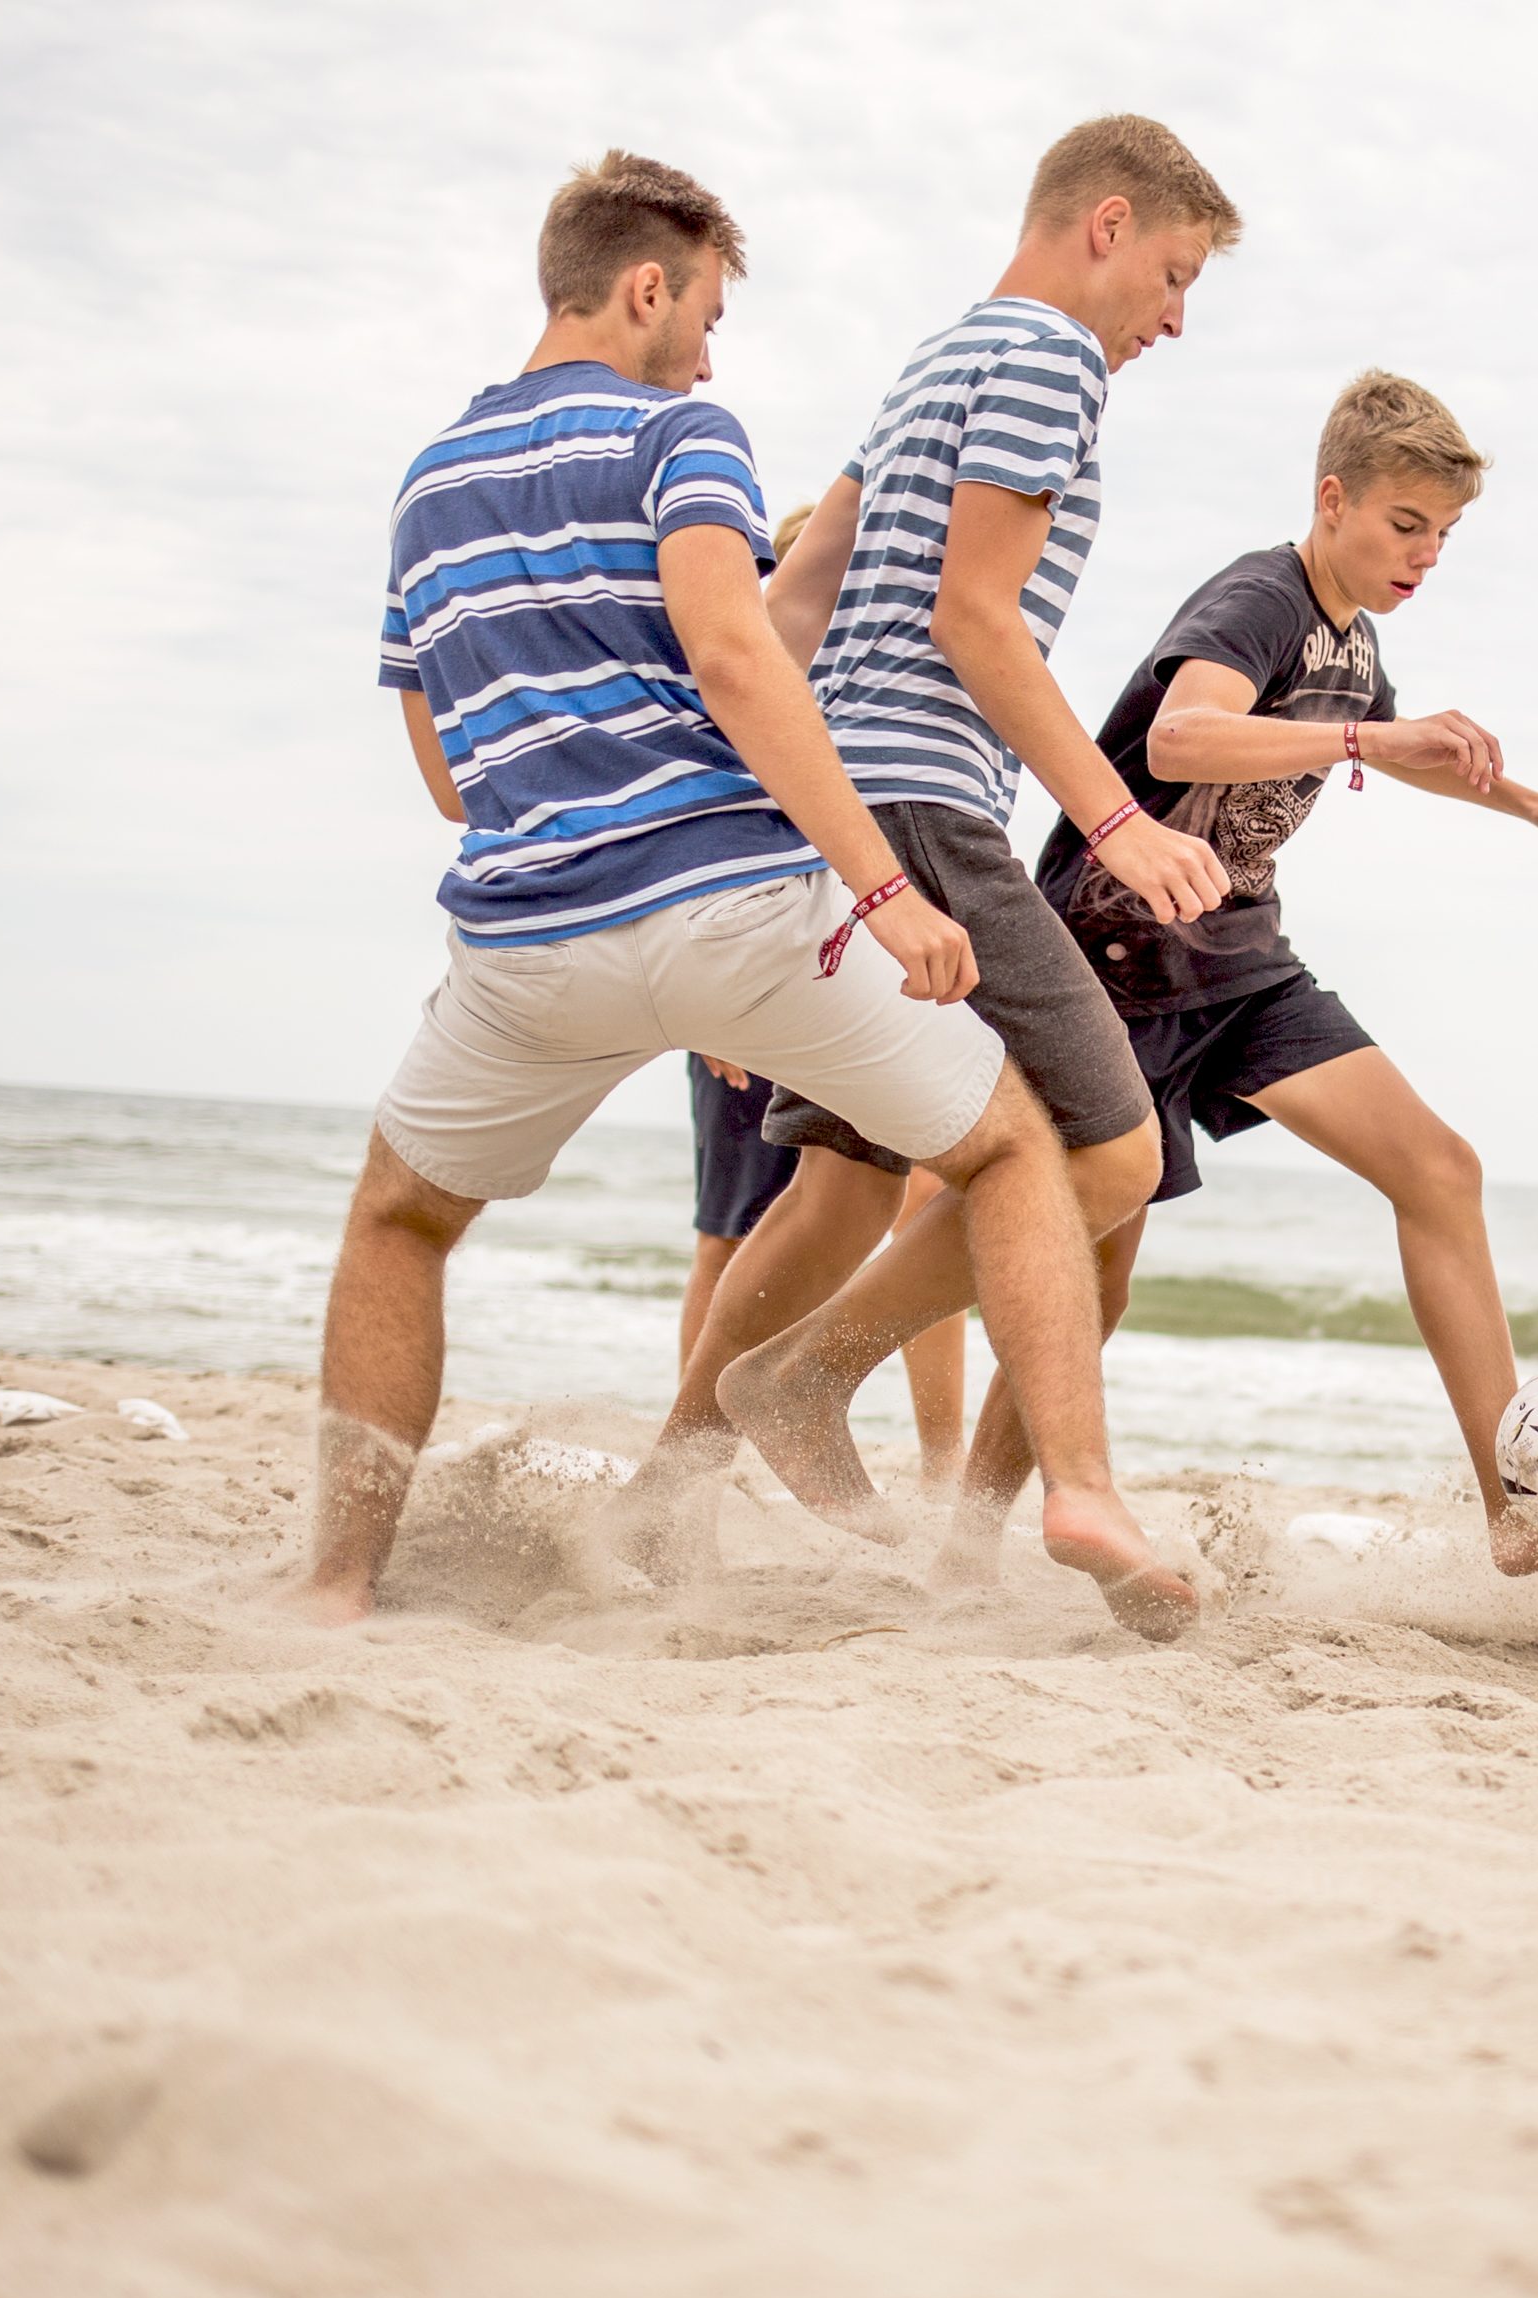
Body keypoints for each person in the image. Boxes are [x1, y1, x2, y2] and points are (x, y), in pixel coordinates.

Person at [301, 150, 1189, 1636]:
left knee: (403, 1220)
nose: (711, 350)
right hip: (745, 893)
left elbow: (450, 774)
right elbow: (739, 650)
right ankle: (1000, 1462)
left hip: (525, 937)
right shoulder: (686, 434)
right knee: (1044, 1155)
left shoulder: (427, 485)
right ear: (647, 289)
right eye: (704, 311)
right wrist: (882, 889)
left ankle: (339, 1581)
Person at [643, 113, 1238, 1536]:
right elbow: (974, 619)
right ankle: (805, 1380)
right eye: (1172, 276)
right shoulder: (1052, 361)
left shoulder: (939, 355)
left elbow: (792, 604)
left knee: (841, 1182)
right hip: (925, 803)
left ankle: (661, 1495)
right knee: (1112, 1151)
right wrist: (1115, 824)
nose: (1172, 317)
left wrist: (735, 820)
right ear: (1106, 223)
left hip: (842, 814)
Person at [952, 370, 1538, 1576]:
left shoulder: (1354, 638)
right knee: (1091, 1286)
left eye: (1446, 534)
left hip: (1245, 963)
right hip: (1113, 963)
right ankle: (965, 1539)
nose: (1427, 554)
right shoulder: (1259, 597)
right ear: (1334, 500)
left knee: (1438, 1168)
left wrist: (1525, 803)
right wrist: (1370, 736)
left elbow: (1402, 745)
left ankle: (1513, 1510)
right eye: (1406, 524)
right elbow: (1180, 736)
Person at [679, 505, 968, 1493]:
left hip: (860, 974)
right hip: (747, 977)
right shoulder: (752, 688)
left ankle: (941, 1463)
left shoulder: (883, 696)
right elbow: (705, 832)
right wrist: (708, 1015)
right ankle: (691, 1467)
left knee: (925, 1188)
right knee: (735, 1228)